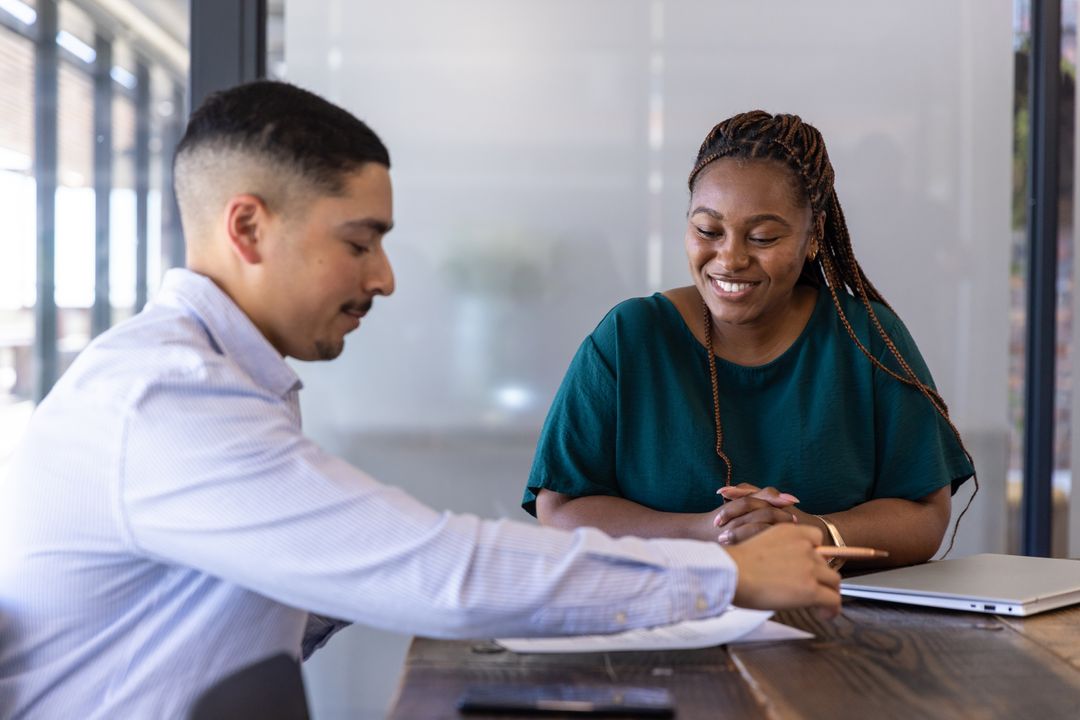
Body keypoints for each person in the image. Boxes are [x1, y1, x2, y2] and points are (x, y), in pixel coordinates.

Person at [0, 84, 840, 718]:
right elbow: (439, 574)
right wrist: (723, 573)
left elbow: (385, 571)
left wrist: (396, 555)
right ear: (248, 229)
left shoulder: (218, 381)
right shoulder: (165, 402)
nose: (384, 278)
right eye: (358, 241)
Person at [524, 110, 976, 568]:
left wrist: (813, 532)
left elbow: (925, 513)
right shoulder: (629, 339)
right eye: (708, 231)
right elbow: (561, 505)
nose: (731, 257)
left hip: (844, 624)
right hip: (660, 621)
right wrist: (708, 532)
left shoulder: (868, 339)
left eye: (762, 237)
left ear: (813, 237)